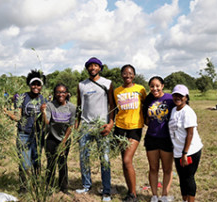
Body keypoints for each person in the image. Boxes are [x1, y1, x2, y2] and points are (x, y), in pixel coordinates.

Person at [75, 57, 115, 202]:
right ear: (87, 68)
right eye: (90, 66)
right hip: (86, 126)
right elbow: (79, 107)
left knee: (104, 158)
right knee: (84, 158)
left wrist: (110, 123)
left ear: (100, 68)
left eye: (95, 65)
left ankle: (106, 191)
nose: (93, 68)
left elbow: (112, 105)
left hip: (102, 126)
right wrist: (76, 127)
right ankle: (86, 185)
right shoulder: (81, 85)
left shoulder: (107, 83)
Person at [5, 70, 46, 193]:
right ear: (29, 84)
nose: (36, 87)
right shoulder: (23, 97)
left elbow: (46, 120)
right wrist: (6, 112)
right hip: (24, 134)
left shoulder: (43, 99)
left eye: (38, 85)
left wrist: (44, 111)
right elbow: (18, 117)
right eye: (33, 84)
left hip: (38, 135)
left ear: (41, 86)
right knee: (24, 163)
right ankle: (23, 188)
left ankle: (36, 185)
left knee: (36, 161)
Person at [113, 64, 146, 202]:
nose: (128, 75)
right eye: (125, 73)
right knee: (124, 162)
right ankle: (130, 192)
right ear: (121, 75)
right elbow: (114, 109)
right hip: (120, 128)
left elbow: (146, 104)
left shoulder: (140, 89)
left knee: (127, 160)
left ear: (134, 75)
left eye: (130, 73)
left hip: (135, 128)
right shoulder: (117, 91)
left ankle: (133, 194)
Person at [168, 84, 203, 202]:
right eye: (175, 95)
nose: (177, 98)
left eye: (180, 96)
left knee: (188, 178)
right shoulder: (174, 110)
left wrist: (185, 153)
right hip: (178, 151)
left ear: (186, 97)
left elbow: (190, 134)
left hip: (190, 151)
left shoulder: (187, 112)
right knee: (182, 178)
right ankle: (184, 200)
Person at [143, 76, 175, 202]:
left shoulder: (170, 98)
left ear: (162, 86)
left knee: (167, 169)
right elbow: (146, 119)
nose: (154, 88)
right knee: (153, 168)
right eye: (152, 86)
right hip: (151, 138)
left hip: (167, 139)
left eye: (157, 86)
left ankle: (165, 195)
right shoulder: (148, 100)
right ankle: (154, 196)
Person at [40, 83, 76, 194]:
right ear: (55, 94)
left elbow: (71, 125)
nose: (60, 94)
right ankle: (48, 187)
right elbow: (46, 122)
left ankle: (63, 188)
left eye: (63, 92)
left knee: (62, 163)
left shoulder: (72, 107)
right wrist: (43, 112)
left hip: (64, 138)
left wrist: (64, 142)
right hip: (51, 138)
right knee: (51, 162)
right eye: (58, 92)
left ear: (67, 94)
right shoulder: (50, 105)